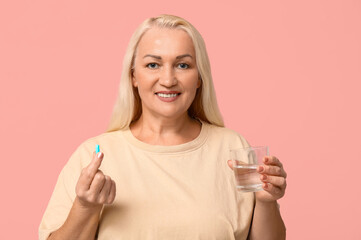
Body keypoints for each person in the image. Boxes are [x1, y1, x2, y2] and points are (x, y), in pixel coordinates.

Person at [39, 14, 287, 240]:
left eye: (183, 65)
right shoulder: (94, 155)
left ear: (199, 77)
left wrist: (265, 202)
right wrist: (86, 207)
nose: (168, 80)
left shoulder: (233, 147)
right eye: (153, 65)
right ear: (134, 76)